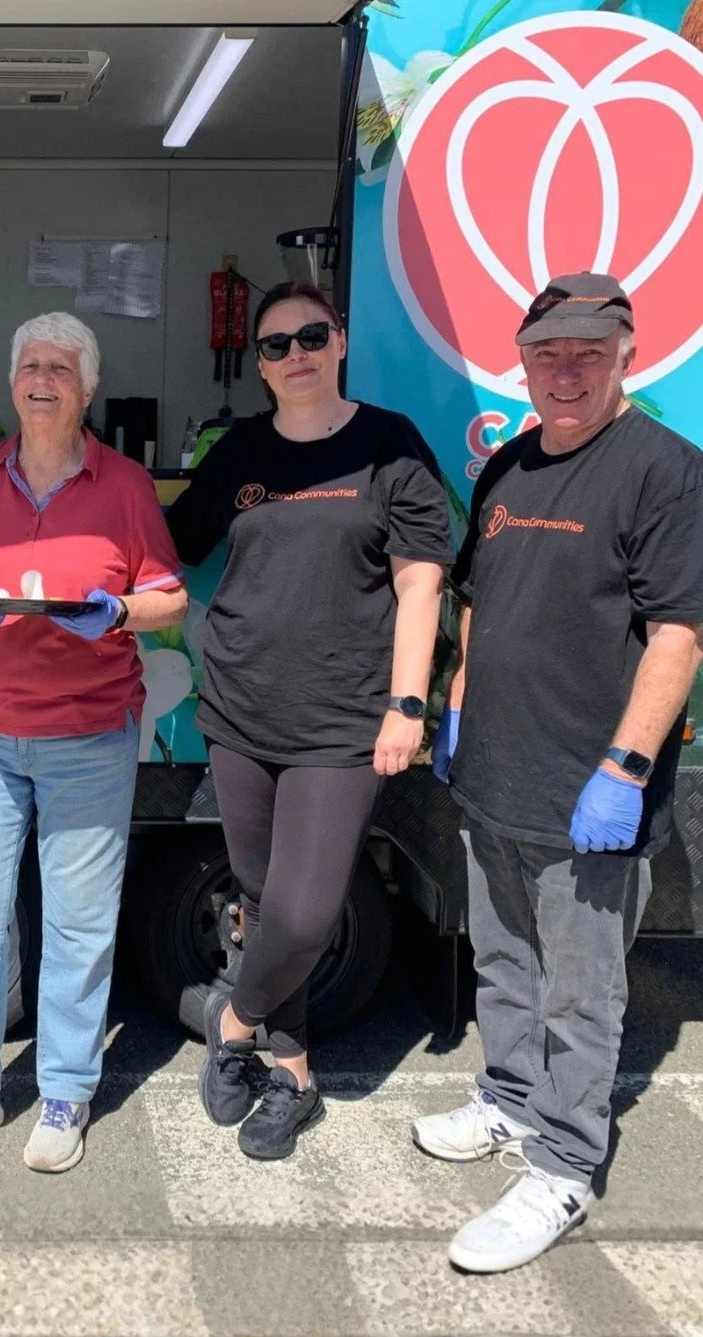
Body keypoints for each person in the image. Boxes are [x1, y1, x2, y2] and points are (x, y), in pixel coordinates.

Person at [419, 273, 703, 1273]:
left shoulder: (664, 471)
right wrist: (453, 710)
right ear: (523, 359)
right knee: (502, 961)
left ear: (627, 350)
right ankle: (505, 1097)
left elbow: (678, 628)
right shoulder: (506, 468)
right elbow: (474, 602)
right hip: (493, 774)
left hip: (589, 792)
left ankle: (565, 1160)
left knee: (581, 991)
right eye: (548, 353)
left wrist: (624, 765)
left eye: (588, 351)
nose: (567, 371)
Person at [0, 312, 187, 1173]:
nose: (42, 377)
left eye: (60, 365)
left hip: (90, 733)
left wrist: (120, 612)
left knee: (79, 923)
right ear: (11, 382)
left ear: (86, 388)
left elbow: (169, 597)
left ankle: (64, 1088)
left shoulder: (124, 485)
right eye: (29, 363)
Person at [165, 281, 452, 1161]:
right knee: (257, 899)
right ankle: (292, 1077)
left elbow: (419, 583)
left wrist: (408, 702)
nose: (294, 355)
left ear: (338, 343)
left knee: (304, 911)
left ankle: (235, 1022)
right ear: (257, 363)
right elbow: (175, 542)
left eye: (310, 336)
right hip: (240, 708)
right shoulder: (240, 449)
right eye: (276, 344)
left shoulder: (387, 443)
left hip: (345, 720)